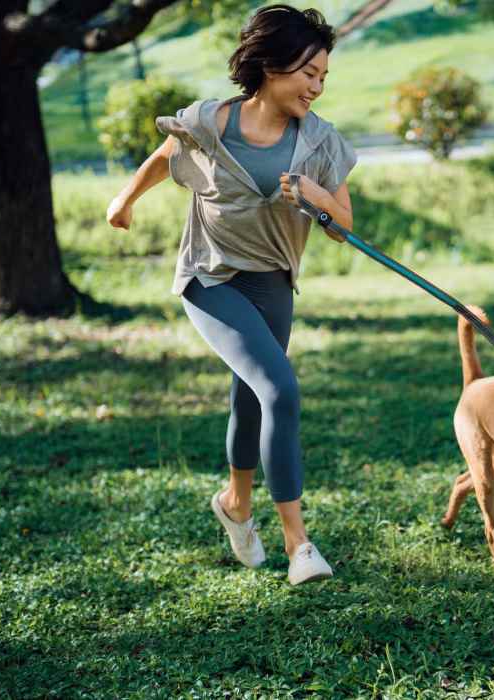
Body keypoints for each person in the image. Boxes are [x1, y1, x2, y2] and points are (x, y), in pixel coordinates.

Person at [105, 4, 357, 585]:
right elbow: (168, 157)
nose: (316, 87)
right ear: (271, 66)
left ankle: (237, 504)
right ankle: (300, 546)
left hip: (273, 281)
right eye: (308, 73)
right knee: (280, 389)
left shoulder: (320, 143)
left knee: (251, 398)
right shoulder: (211, 122)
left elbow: (343, 223)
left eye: (323, 77)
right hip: (210, 278)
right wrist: (124, 200)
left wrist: (312, 193)